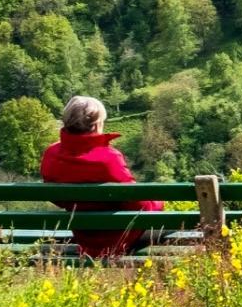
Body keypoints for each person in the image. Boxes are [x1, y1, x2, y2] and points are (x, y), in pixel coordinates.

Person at [38, 96, 163, 259]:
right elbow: (139, 204)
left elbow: (56, 197)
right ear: (97, 124)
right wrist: (158, 203)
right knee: (172, 224)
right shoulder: (109, 158)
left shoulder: (52, 154)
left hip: (83, 235)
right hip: (117, 237)